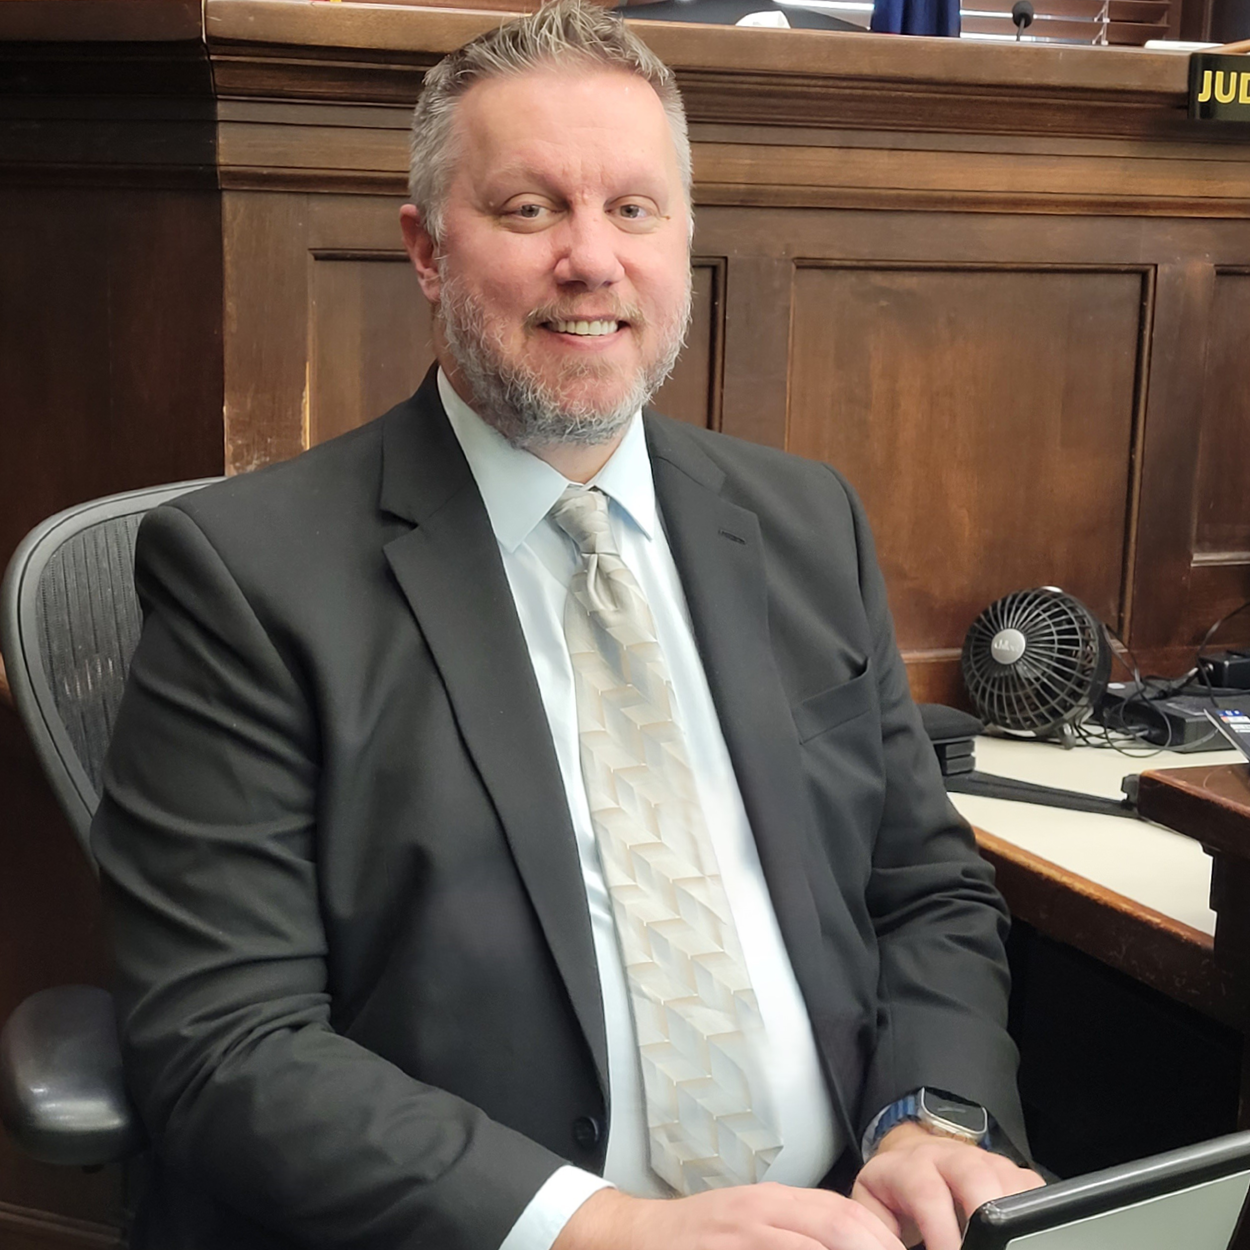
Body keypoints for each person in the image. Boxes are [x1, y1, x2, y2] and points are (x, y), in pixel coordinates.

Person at [92, 3, 1043, 1248]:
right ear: (426, 249)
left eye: (633, 209)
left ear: (682, 237)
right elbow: (227, 1042)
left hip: (845, 1215)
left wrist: (928, 1120)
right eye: (530, 209)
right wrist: (596, 1227)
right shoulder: (247, 576)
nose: (591, 260)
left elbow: (921, 890)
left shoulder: (804, 521)